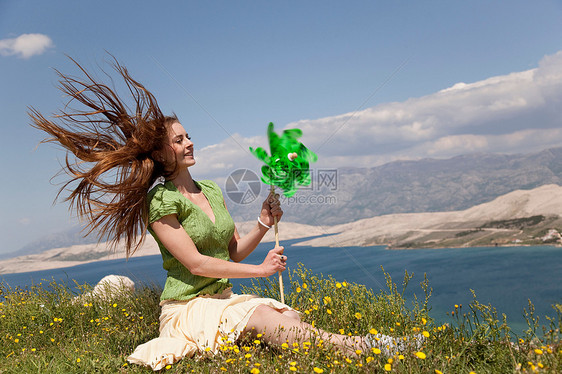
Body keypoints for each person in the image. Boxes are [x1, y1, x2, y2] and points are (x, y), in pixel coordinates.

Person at [30, 57, 421, 371]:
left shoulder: (211, 190)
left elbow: (231, 252)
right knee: (269, 320)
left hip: (221, 300)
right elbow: (198, 264)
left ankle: (355, 350)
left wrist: (264, 224)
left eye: (188, 135)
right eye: (179, 139)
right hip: (186, 310)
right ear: (162, 154)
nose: (189, 142)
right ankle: (371, 348)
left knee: (287, 322)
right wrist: (263, 272)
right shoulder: (161, 203)